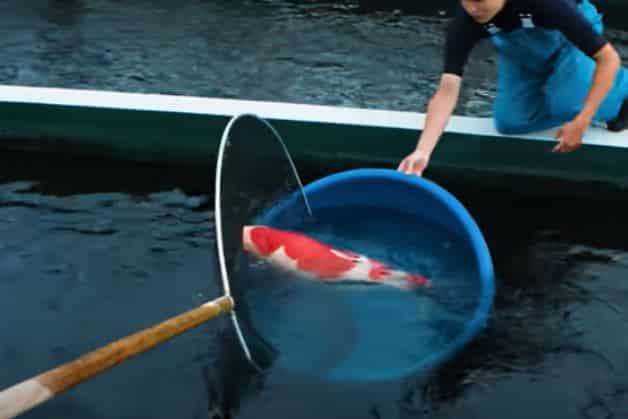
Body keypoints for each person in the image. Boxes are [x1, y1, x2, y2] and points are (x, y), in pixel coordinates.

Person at [397, 0, 628, 176]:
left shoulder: (547, 4)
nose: (474, 9)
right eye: (466, 0)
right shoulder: (466, 22)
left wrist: (583, 119)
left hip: (568, 42)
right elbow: (447, 88)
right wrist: (423, 151)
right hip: (520, 51)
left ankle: (620, 93)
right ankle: (566, 87)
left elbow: (608, 58)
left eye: (480, 0)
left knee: (568, 105)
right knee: (510, 122)